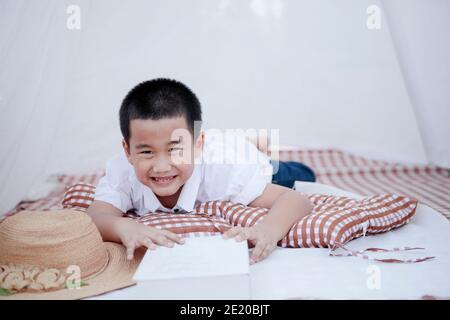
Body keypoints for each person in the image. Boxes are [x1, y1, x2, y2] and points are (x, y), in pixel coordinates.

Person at [87, 78, 315, 264]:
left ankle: (252, 146)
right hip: (212, 147)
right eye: (147, 152)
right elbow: (95, 217)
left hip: (245, 160)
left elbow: (296, 200)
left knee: (299, 174)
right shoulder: (121, 171)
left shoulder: (226, 172)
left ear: (197, 146)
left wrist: (268, 229)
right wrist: (121, 226)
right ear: (127, 151)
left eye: (175, 150)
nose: (162, 166)